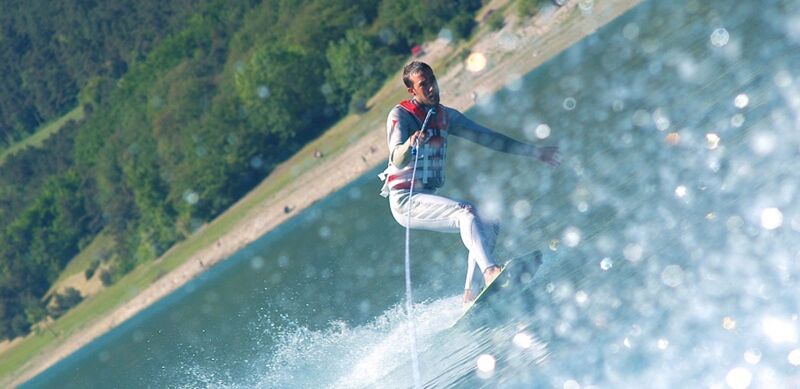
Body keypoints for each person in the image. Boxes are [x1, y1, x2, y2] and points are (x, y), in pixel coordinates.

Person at [379, 61, 560, 303]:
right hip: (405, 200)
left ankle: (471, 293)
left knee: (489, 219)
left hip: (427, 194)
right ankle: (490, 272)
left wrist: (534, 152)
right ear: (412, 91)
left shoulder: (446, 116)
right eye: (424, 85)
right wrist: (410, 144)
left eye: (432, 80)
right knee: (466, 214)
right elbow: (397, 158)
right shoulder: (401, 115)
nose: (432, 88)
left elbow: (490, 138)